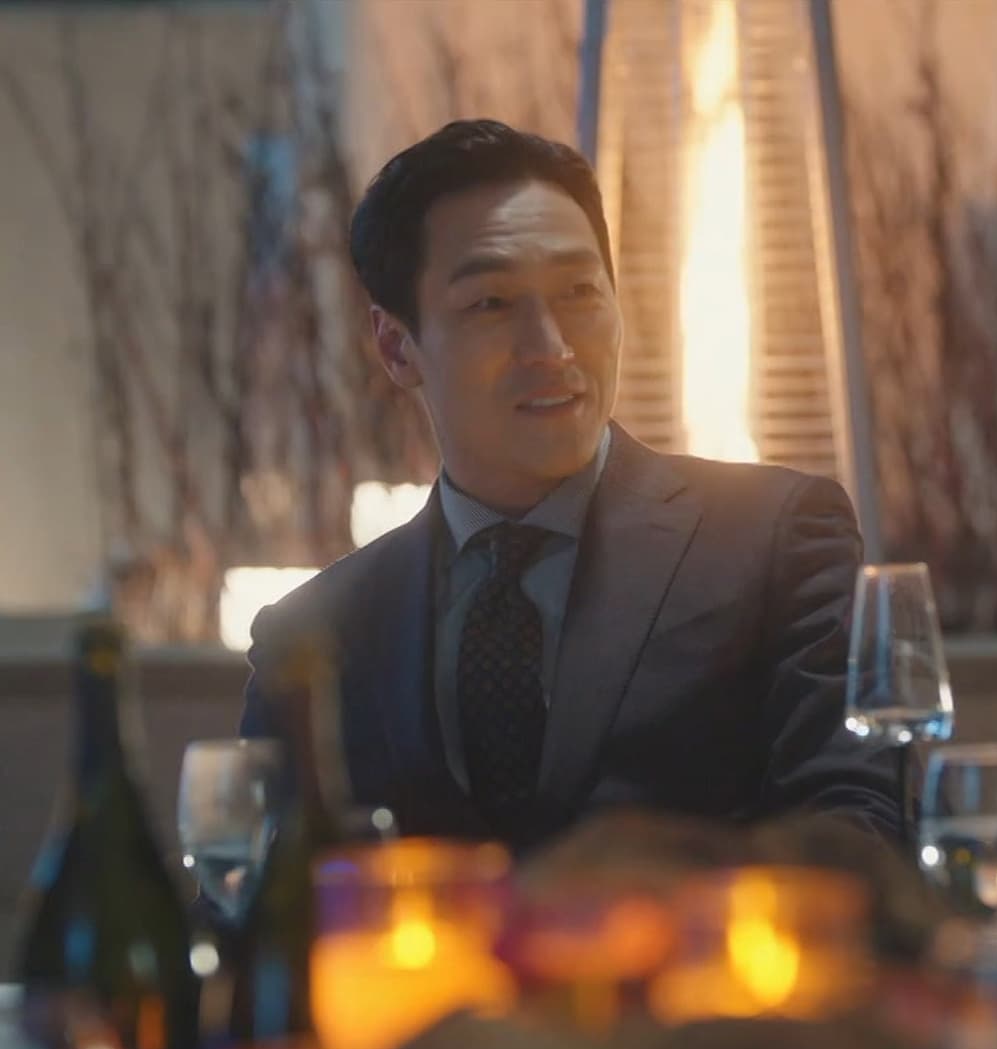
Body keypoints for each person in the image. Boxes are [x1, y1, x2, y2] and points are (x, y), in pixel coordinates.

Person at [240, 119, 900, 850]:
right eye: (490, 304)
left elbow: (857, 829)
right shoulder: (313, 632)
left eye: (580, 292)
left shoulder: (773, 538)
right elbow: (259, 891)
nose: (550, 348)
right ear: (397, 347)